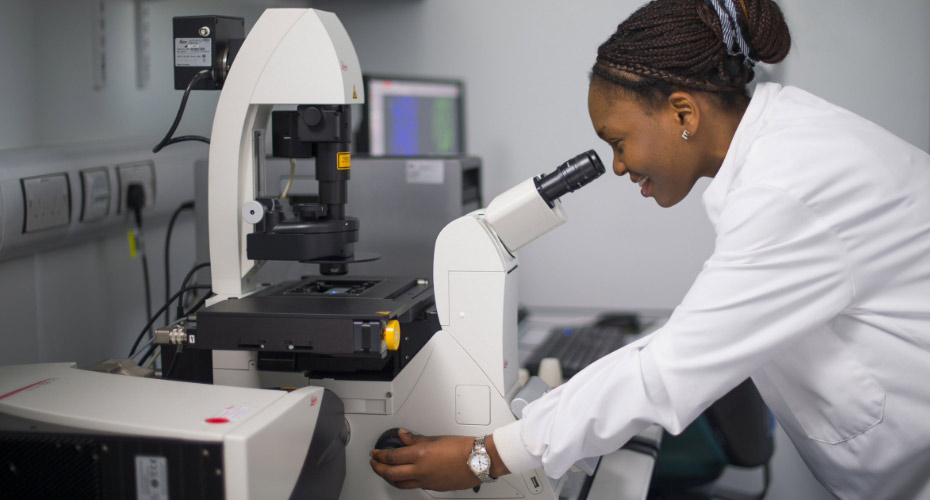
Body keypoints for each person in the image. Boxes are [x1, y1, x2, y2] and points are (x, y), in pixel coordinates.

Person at [370, 0, 930, 498]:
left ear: (683, 113)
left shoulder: (790, 187)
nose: (618, 166)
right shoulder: (782, 148)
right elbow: (698, 336)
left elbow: (669, 371)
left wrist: (484, 456)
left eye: (618, 141)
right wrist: (533, 423)